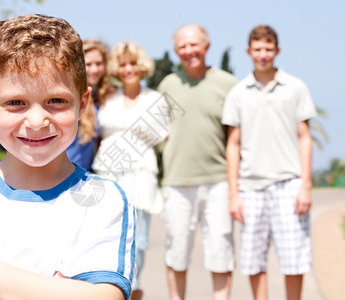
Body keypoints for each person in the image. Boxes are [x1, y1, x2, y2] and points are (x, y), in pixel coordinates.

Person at [0, 14, 135, 300]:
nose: (36, 121)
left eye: (56, 101)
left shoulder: (103, 198)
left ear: (82, 104)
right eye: (15, 102)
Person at [222, 24, 316, 300]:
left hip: (290, 184)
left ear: (277, 50)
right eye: (258, 49)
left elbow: (305, 138)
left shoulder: (296, 87)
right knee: (253, 261)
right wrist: (233, 195)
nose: (263, 54)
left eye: (268, 49)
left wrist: (306, 186)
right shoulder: (238, 93)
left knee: (294, 259)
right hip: (250, 187)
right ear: (248, 51)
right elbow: (233, 145)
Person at [157, 24, 237, 300]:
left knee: (220, 253)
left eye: (194, 45)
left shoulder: (228, 84)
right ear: (176, 50)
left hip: (219, 183)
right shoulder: (168, 84)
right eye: (182, 46)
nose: (188, 51)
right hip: (177, 182)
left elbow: (237, 138)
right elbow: (158, 131)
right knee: (176, 252)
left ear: (207, 46)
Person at [92, 42, 170, 300]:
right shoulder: (108, 98)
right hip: (108, 171)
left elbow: (163, 135)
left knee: (140, 238)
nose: (128, 69)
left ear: (142, 65)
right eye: (123, 64)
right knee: (106, 234)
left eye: (133, 63)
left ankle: (132, 289)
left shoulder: (155, 99)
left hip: (142, 172)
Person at [66, 39, 115, 171]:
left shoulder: (97, 99)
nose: (94, 70)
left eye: (99, 64)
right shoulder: (69, 97)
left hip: (83, 175)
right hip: (59, 174)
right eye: (88, 64)